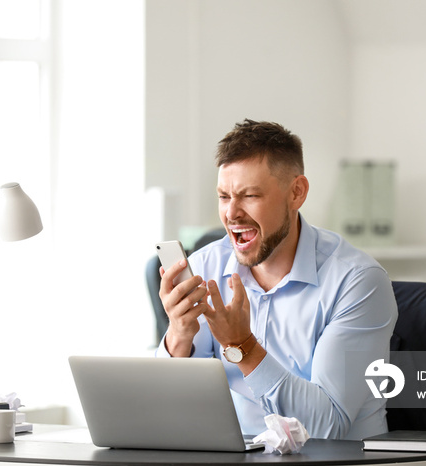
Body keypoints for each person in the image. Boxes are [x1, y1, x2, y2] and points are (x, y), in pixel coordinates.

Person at [156, 119, 398, 440]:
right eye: (224, 196)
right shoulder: (204, 269)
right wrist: (179, 337)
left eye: (249, 195)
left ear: (296, 193)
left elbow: (329, 425)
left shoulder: (357, 283)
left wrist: (242, 346)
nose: (231, 213)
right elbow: (171, 413)